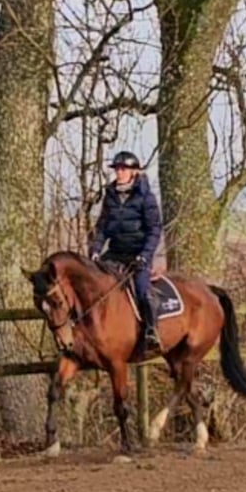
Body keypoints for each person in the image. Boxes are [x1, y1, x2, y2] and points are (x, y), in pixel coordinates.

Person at [88, 150, 163, 351]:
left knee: (142, 289)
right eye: (117, 169)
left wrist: (145, 256)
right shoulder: (111, 196)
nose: (119, 173)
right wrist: (95, 249)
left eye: (124, 169)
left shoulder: (145, 197)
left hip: (138, 254)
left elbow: (155, 229)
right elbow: (102, 227)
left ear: (134, 172)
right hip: (114, 253)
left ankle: (151, 330)